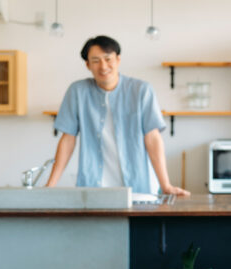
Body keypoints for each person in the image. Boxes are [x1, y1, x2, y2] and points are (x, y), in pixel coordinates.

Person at [46, 35, 189, 196]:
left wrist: (166, 185)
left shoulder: (141, 90)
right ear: (87, 65)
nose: (103, 66)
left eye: (108, 59)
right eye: (95, 61)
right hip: (94, 187)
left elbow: (152, 137)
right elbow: (68, 139)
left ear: (118, 59)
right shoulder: (78, 91)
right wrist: (50, 186)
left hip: (139, 184)